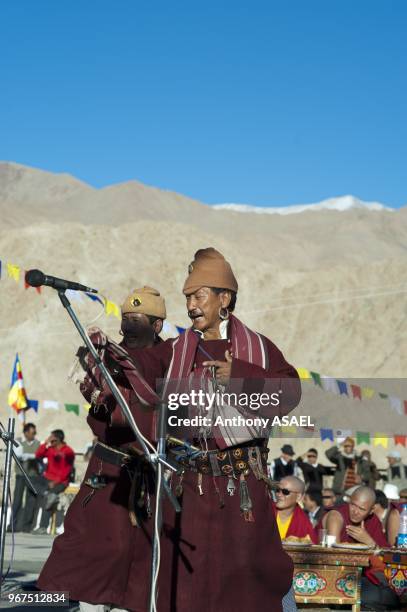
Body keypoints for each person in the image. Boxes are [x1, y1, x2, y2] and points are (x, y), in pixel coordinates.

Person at [38, 248, 301, 612]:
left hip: (241, 491)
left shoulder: (260, 349)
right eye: (187, 298)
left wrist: (240, 376)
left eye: (199, 296)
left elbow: (291, 392)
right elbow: (143, 366)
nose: (191, 305)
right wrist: (106, 360)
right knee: (180, 587)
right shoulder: (177, 350)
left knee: (242, 582)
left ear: (224, 298)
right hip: (188, 492)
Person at [325, 486, 399, 611]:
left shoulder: (373, 520)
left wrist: (369, 541)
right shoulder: (336, 516)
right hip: (337, 576)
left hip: (364, 576)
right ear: (349, 501)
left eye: (362, 509)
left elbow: (385, 557)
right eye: (353, 505)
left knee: (391, 596)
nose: (355, 511)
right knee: (383, 597)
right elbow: (333, 556)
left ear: (371, 510)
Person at [34, 430, 75, 534]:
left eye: (52, 438)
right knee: (31, 481)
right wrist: (45, 443)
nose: (50, 439)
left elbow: (66, 471)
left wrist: (55, 482)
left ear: (58, 439)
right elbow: (38, 455)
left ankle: (43, 527)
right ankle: (47, 493)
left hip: (61, 481)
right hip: (48, 479)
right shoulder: (50, 449)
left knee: (49, 498)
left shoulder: (68, 451)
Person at [10, 423, 40, 532]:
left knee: (30, 502)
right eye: (33, 432)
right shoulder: (18, 441)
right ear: (26, 432)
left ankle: (27, 527)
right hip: (21, 475)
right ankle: (12, 525)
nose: (34, 435)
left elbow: (39, 455)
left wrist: (29, 456)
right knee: (17, 501)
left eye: (35, 432)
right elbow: (17, 455)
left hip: (33, 476)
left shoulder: (38, 443)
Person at [274, 476, 317, 543]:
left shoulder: (304, 523)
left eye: (285, 492)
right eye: (277, 490)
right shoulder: (265, 511)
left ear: (298, 497)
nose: (279, 494)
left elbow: (312, 548)